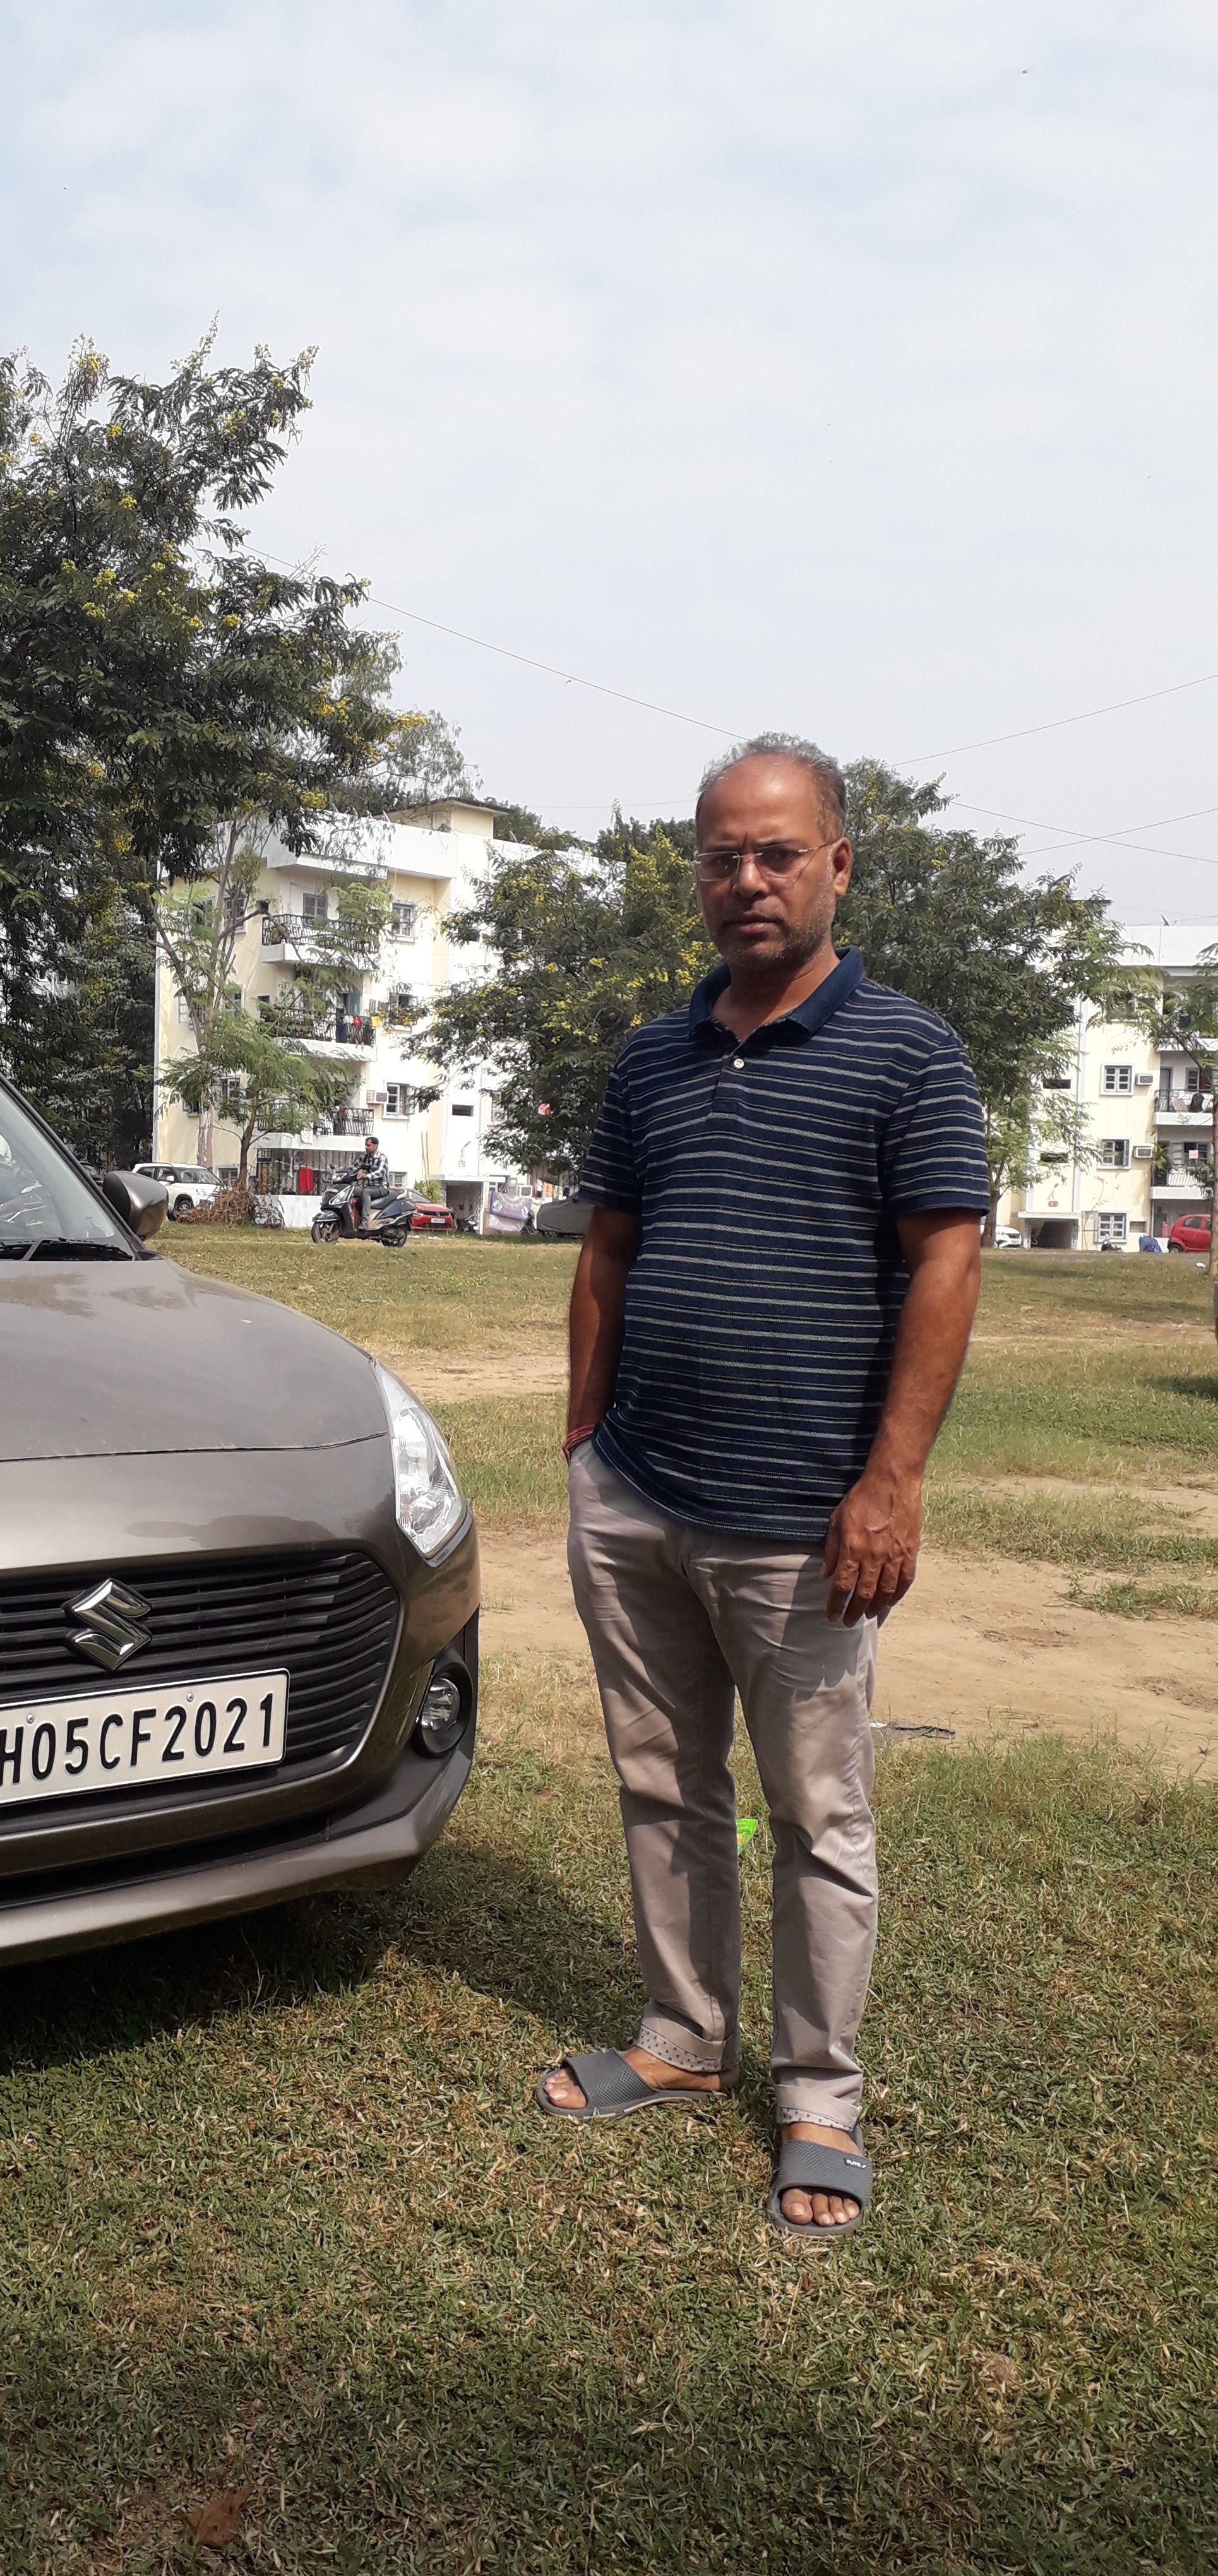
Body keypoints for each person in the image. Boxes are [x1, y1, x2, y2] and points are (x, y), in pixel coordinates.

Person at [540, 733, 987, 2240]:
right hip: (642, 1499)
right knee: (664, 1786)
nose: (746, 881)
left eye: (778, 853)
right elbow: (608, 1242)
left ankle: (817, 2098)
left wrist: (892, 1484)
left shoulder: (908, 1051)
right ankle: (679, 2041)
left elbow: (946, 1259)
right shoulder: (654, 1056)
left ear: (838, 865)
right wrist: (591, 1434)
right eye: (721, 855)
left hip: (804, 1524)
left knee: (816, 1818)